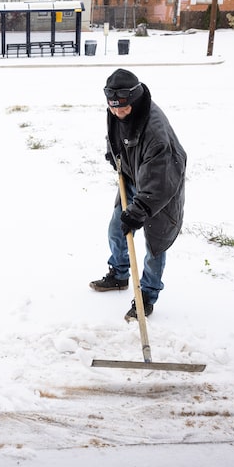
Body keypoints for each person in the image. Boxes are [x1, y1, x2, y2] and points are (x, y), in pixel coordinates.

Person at [89, 69, 186, 322]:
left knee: (155, 244)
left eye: (123, 109)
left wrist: (140, 210)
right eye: (113, 109)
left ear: (134, 99)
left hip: (162, 190)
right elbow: (117, 136)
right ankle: (120, 274)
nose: (118, 114)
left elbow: (160, 181)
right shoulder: (118, 109)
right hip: (134, 178)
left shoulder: (155, 133)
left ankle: (147, 296)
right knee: (116, 228)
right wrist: (114, 155)